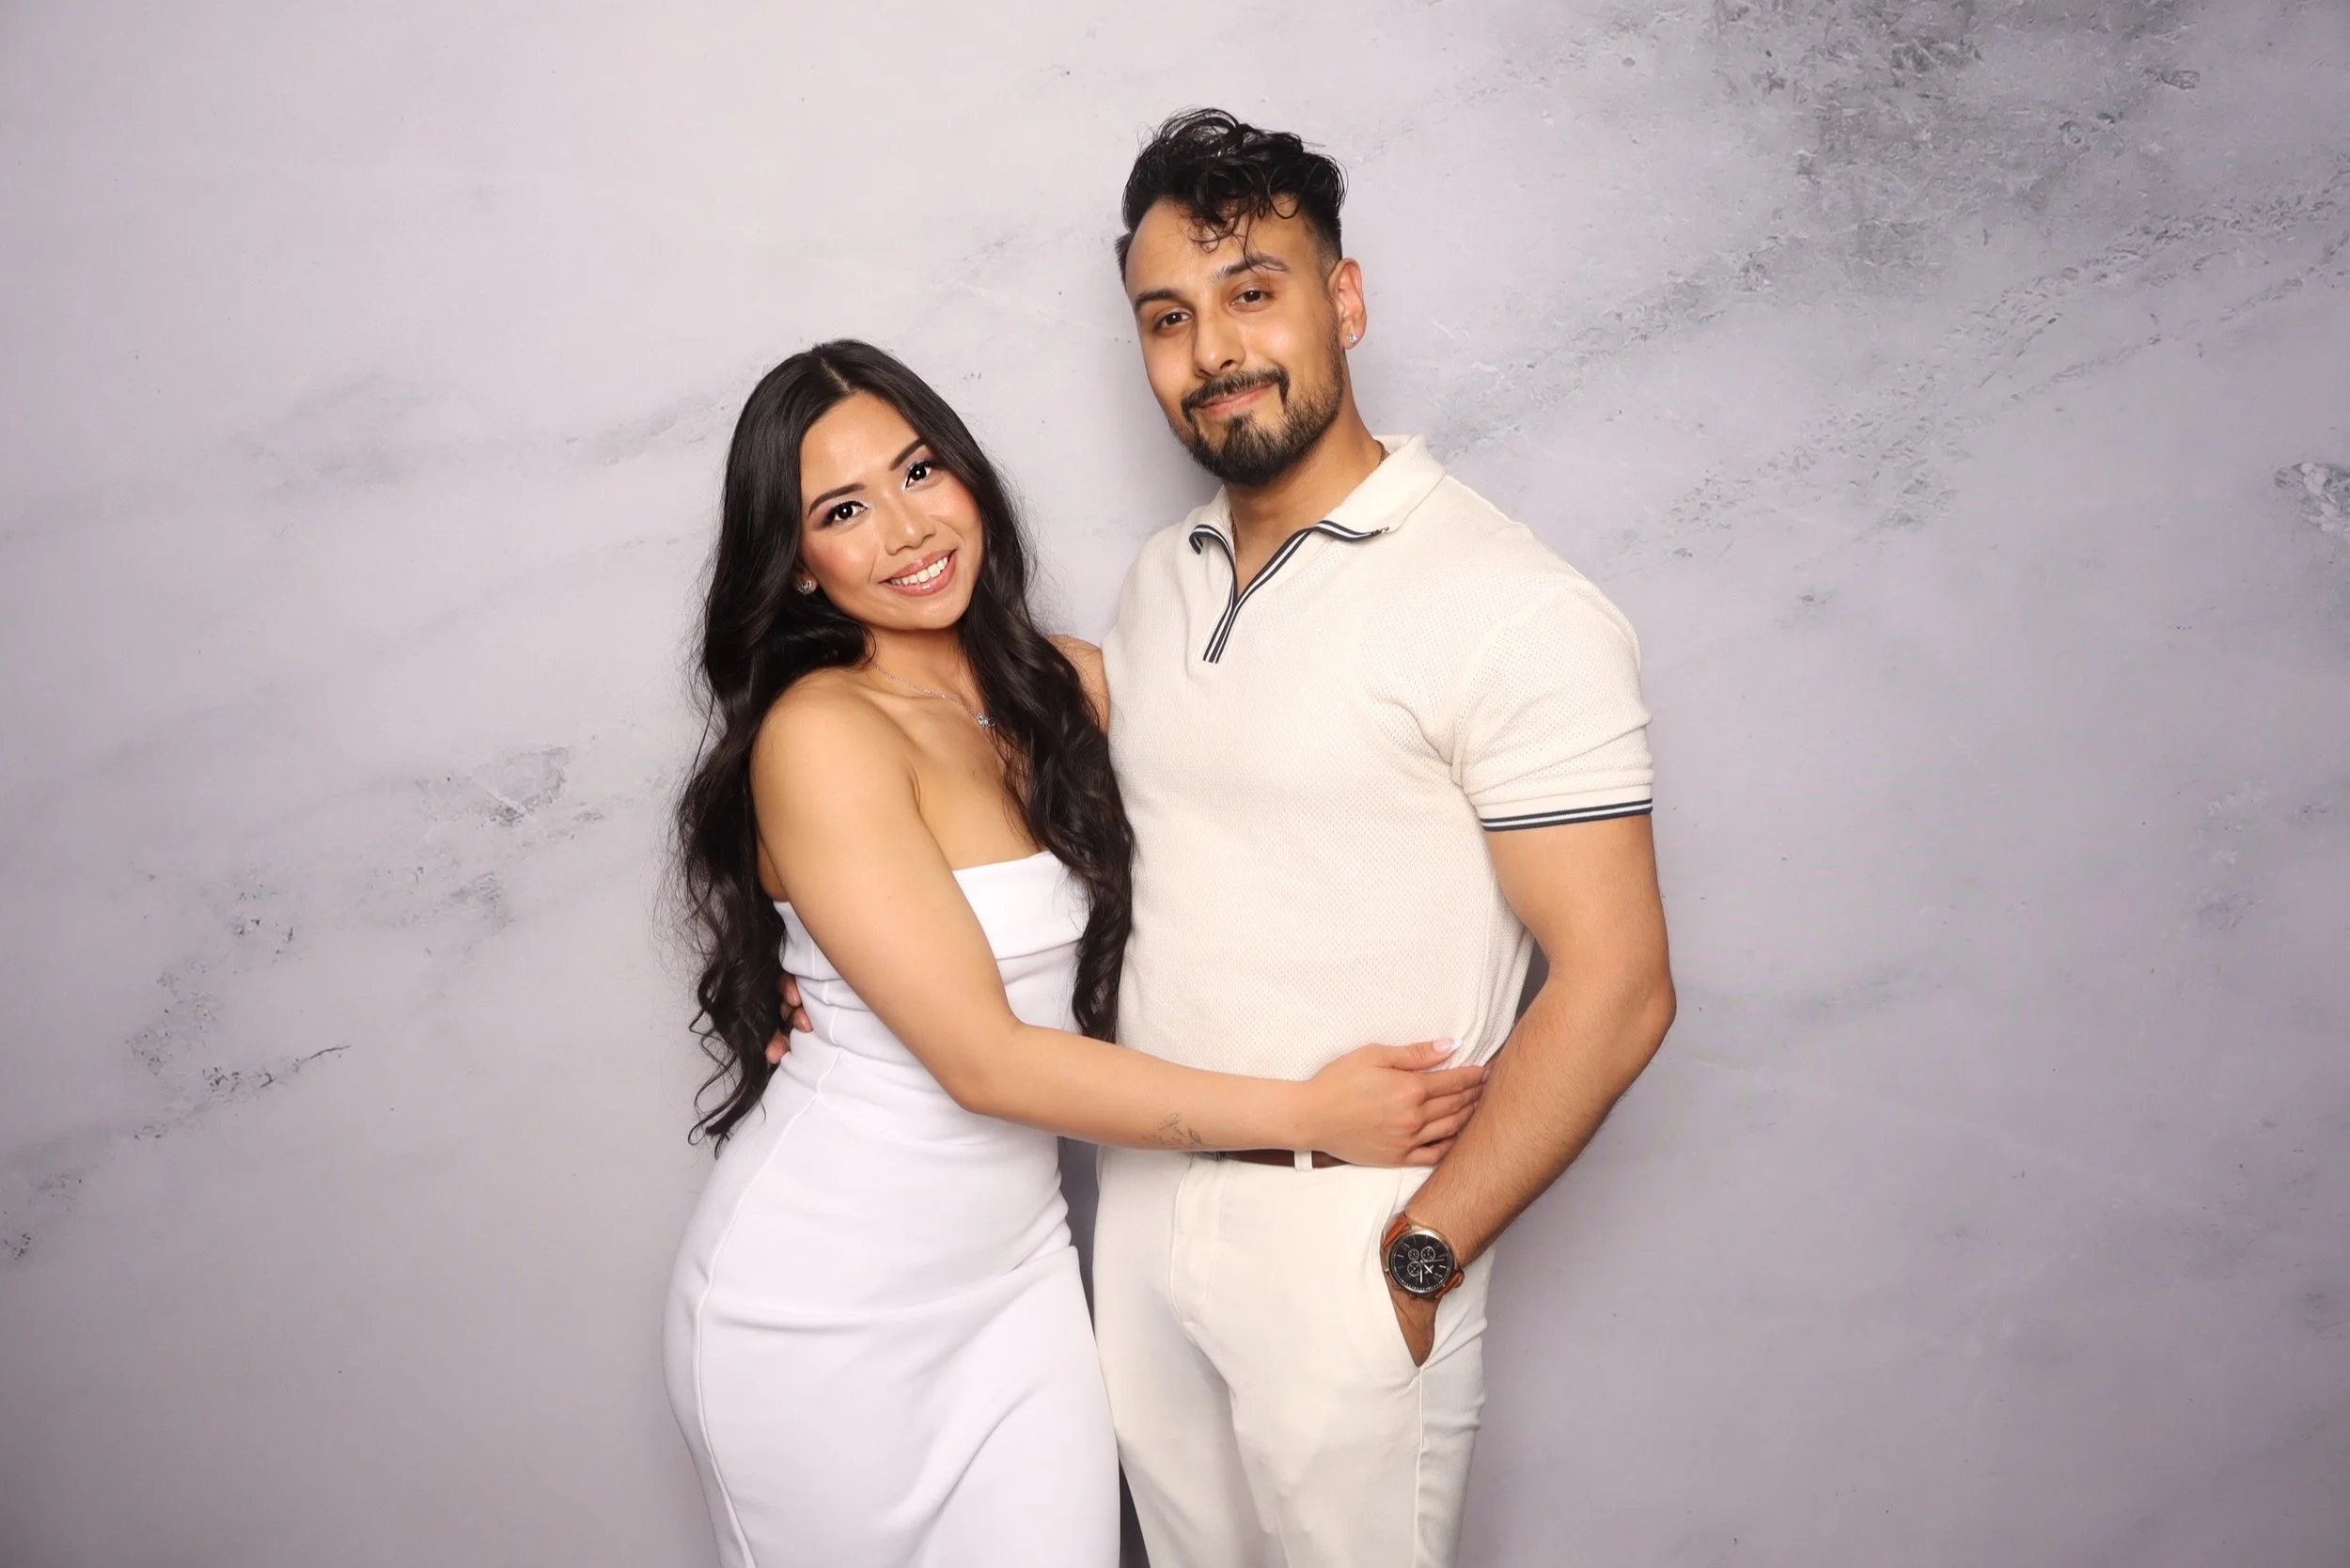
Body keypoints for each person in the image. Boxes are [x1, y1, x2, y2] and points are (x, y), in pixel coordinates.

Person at [663, 339, 1487, 1568]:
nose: (903, 530)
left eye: (920, 471)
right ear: (799, 571)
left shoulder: (1069, 690)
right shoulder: (822, 734)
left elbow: (1278, 776)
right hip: (821, 1309)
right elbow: (989, 1064)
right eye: (843, 510)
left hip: (1015, 1283)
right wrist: (1309, 1116)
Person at [1082, 112, 1679, 1568]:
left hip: (1348, 1244)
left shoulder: (1508, 605)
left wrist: (1415, 1265)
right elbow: (961, 715)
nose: (1214, 348)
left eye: (1254, 291)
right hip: (1147, 1215)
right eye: (1171, 317)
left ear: (1344, 300)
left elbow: (1619, 987)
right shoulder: (1164, 582)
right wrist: (818, 987)